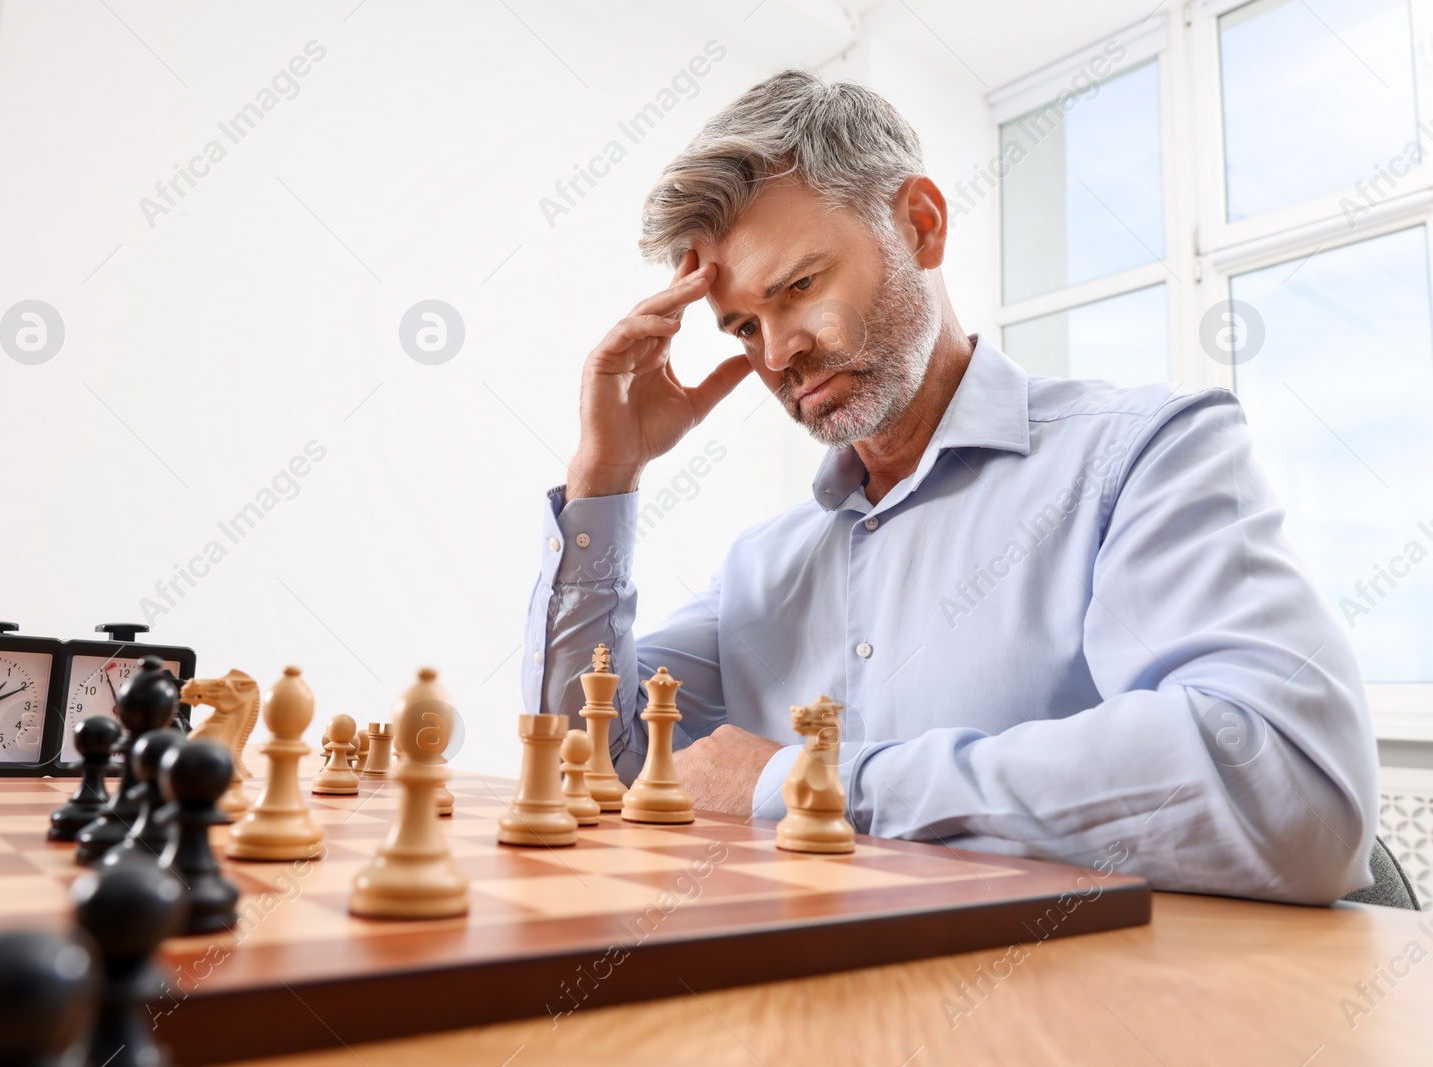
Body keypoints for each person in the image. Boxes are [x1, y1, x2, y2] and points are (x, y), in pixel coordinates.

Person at [520, 70, 1376, 904]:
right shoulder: (762, 567)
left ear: (920, 226)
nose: (776, 354)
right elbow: (584, 761)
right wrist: (605, 477)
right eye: (745, 326)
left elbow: (1289, 784)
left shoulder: (1143, 456)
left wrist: (811, 782)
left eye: (800, 288)